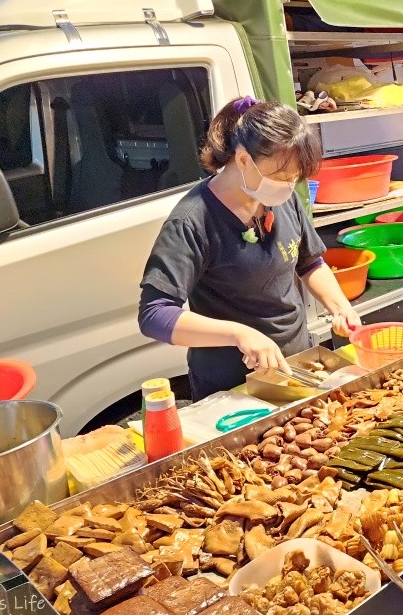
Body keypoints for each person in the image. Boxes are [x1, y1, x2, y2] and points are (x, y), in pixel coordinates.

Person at [138, 96, 362, 400]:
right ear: (243, 160)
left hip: (299, 365)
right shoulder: (192, 220)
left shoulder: (280, 198)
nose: (287, 185)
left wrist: (340, 306)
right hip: (233, 385)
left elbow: (309, 262)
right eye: (280, 177)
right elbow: (154, 315)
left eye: (294, 178)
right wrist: (238, 333)